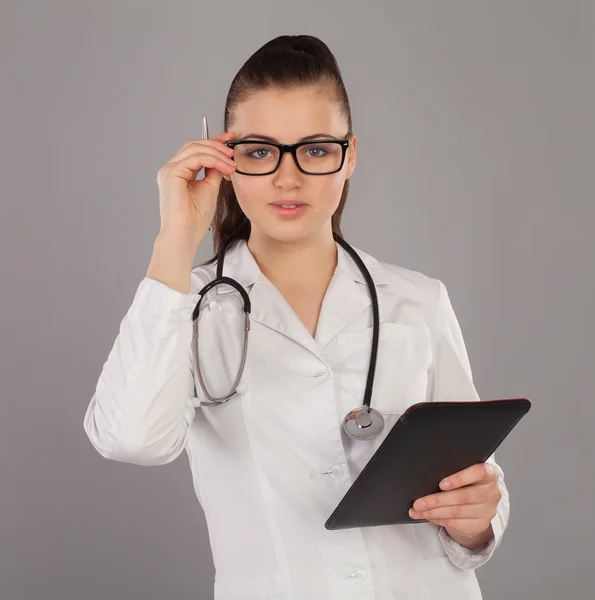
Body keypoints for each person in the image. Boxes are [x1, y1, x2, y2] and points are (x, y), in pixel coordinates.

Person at [83, 34, 509, 600]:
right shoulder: (187, 306)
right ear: (226, 159)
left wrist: (477, 517)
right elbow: (130, 439)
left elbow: (475, 485)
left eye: (314, 149)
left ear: (349, 154)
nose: (288, 178)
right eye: (260, 151)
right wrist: (176, 238)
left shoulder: (418, 300)